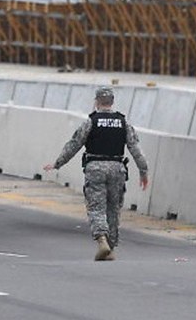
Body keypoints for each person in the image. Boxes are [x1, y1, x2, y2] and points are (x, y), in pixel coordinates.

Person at [45, 87, 149, 261]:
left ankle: (101, 240)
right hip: (117, 168)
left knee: (96, 207)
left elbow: (74, 144)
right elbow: (135, 149)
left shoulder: (91, 121)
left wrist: (57, 164)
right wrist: (143, 172)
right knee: (113, 209)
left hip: (95, 169)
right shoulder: (123, 123)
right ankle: (111, 247)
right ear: (112, 102)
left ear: (97, 101)